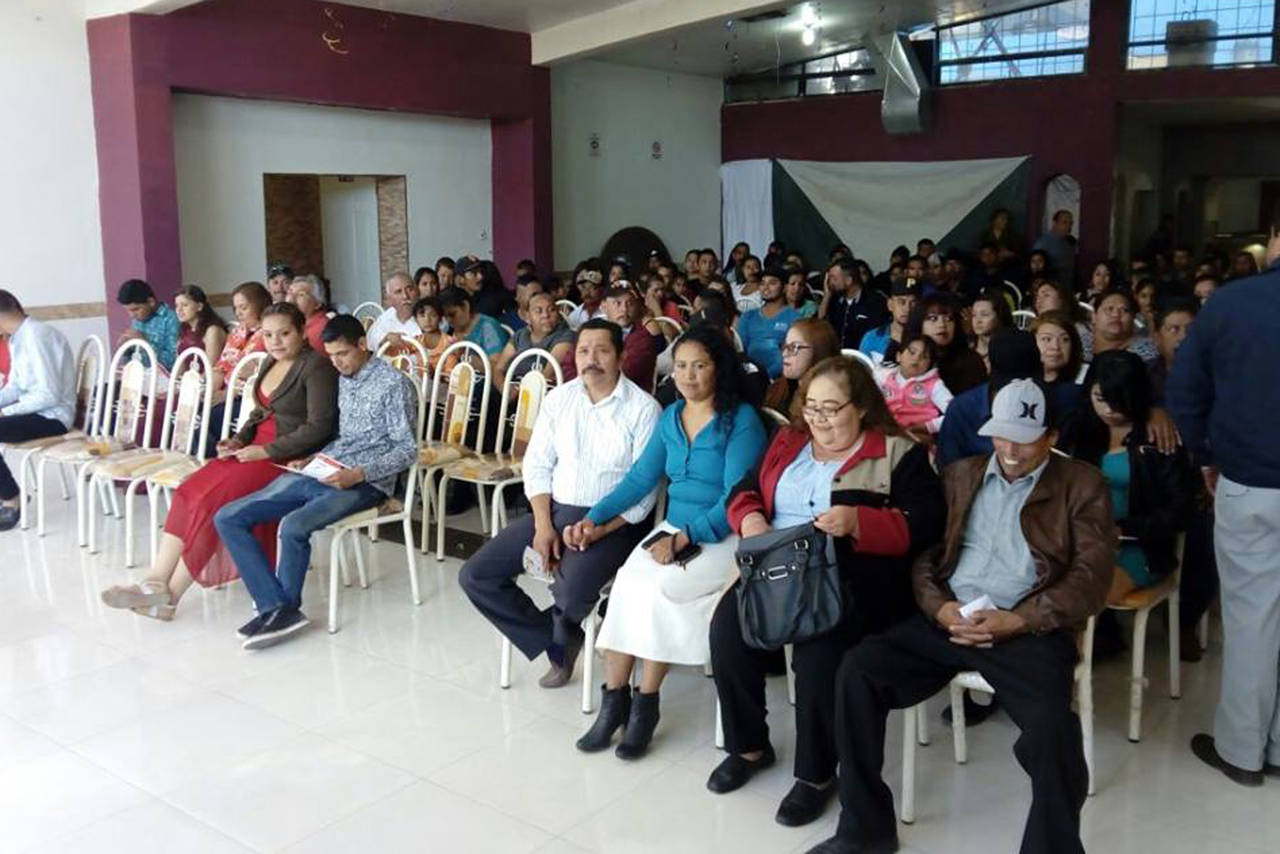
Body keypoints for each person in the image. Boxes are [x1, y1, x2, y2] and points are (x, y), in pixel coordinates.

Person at [805, 378, 1115, 854]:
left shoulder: (1082, 485)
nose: (1009, 449)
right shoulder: (960, 474)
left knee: (1053, 729)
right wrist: (939, 607)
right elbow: (926, 555)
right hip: (950, 616)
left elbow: (1091, 578)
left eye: (1025, 437)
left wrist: (1022, 619)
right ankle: (865, 827)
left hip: (1026, 626)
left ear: (1050, 436)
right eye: (1001, 435)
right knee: (858, 672)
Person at [709, 355, 945, 827]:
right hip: (779, 571)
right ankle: (749, 746)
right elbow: (743, 490)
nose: (818, 420)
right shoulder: (788, 440)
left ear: (860, 407)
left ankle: (816, 775)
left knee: (819, 655)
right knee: (727, 631)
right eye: (811, 407)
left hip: (852, 581)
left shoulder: (898, 453)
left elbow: (928, 524)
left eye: (830, 409)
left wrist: (861, 521)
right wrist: (750, 517)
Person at [569, 325, 766, 759]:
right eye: (680, 366)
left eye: (700, 366)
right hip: (671, 531)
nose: (688, 375)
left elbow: (737, 497)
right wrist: (593, 517)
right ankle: (614, 699)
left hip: (721, 536)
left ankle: (646, 702)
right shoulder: (671, 416)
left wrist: (684, 538)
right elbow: (641, 478)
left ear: (719, 368)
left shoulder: (741, 420)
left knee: (660, 591)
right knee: (625, 586)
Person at [100, 303, 338, 618]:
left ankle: (169, 598)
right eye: (268, 334)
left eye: (284, 333)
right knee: (190, 491)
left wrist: (266, 451)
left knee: (214, 505)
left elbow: (319, 427)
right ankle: (155, 581)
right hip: (251, 450)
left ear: (301, 333)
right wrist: (238, 439)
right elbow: (260, 412)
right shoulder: (269, 361)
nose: (276, 341)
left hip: (285, 458)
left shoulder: (316, 367)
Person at [460, 319, 660, 686]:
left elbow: (644, 494)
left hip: (614, 523)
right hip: (553, 511)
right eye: (584, 350)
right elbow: (536, 465)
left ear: (620, 356)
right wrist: (542, 526)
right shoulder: (559, 399)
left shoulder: (644, 409)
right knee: (476, 575)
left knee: (569, 591)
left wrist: (597, 528)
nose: (591, 359)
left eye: (602, 350)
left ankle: (567, 623)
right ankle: (556, 640)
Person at [213, 314, 417, 649]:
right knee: (229, 516)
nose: (337, 363)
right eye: (332, 355)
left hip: (365, 482)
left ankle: (282, 611)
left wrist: (359, 474)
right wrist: (314, 458)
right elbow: (343, 436)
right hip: (327, 466)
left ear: (363, 345)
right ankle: (277, 608)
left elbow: (407, 450)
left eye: (343, 354)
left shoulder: (393, 385)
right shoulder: (345, 378)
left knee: (293, 526)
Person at [1167, 219, 1280, 786]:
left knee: (1252, 619)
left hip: (1249, 480)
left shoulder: (1232, 304)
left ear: (1276, 240)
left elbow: (1185, 392)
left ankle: (1242, 750)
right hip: (1248, 474)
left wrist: (1205, 454)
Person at [1074, 351, 1194, 602]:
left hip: (1140, 547)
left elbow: (1181, 508)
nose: (1108, 409)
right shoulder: (1081, 428)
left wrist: (1124, 529)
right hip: (1084, 541)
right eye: (1100, 398)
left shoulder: (1159, 437)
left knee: (1085, 595)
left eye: (1119, 401)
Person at [0, 291, 76, 531]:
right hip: (37, 412)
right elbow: (17, 386)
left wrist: (6, 413)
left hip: (53, 417)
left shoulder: (37, 335)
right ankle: (9, 495)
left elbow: (48, 395)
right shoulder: (18, 337)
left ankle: (12, 498)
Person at [562, 286, 663, 392]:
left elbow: (625, 373)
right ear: (604, 307)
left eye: (630, 304)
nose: (624, 309)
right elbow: (568, 364)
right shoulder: (593, 330)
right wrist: (581, 387)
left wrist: (588, 381)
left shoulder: (643, 338)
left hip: (627, 399)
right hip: (584, 393)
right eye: (617, 303)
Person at [905, 293, 987, 394]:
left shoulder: (971, 361)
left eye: (949, 319)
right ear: (919, 323)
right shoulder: (906, 356)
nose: (942, 325)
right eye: (933, 319)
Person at [876, 334, 953, 441]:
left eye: (924, 356)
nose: (916, 358)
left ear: (930, 364)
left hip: (918, 436)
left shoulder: (934, 384)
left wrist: (928, 427)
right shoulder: (882, 377)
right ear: (899, 356)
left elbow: (954, 414)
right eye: (912, 352)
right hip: (885, 433)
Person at [764, 318, 839, 414]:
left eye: (794, 347)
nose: (784, 354)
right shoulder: (780, 388)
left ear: (819, 351)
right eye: (785, 346)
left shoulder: (828, 402)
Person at [737, 267, 801, 379]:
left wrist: (768, 376)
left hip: (781, 380)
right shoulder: (748, 317)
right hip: (750, 378)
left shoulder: (794, 318)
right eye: (762, 283)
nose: (765, 287)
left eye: (772, 283)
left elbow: (793, 354)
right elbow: (740, 351)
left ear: (784, 288)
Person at [819, 258, 889, 351]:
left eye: (834, 278)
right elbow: (820, 322)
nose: (830, 282)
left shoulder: (875, 302)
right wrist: (827, 296)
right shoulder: (833, 300)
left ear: (849, 280)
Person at [117, 278, 180, 371]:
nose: (132, 315)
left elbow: (172, 361)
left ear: (151, 302)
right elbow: (133, 357)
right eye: (128, 310)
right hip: (139, 376)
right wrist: (125, 348)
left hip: (162, 380)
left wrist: (145, 343)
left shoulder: (170, 319)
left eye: (136, 309)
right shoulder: (138, 319)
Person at [1146, 297, 1197, 405]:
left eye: (1191, 329)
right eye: (1174, 329)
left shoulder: (1219, 374)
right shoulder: (1144, 375)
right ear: (1157, 339)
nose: (1184, 337)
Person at [1086, 288, 1157, 362]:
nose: (1116, 314)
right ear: (1094, 316)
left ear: (1133, 318)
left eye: (1124, 310)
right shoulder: (1079, 344)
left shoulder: (1145, 353)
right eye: (1109, 309)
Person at [858, 279, 918, 366]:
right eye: (901, 302)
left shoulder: (925, 339)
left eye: (913, 303)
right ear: (890, 305)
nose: (907, 308)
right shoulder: (872, 338)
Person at [439, 286, 509, 360]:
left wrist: (465, 354)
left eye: (452, 314)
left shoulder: (488, 327)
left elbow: (496, 367)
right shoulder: (452, 329)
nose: (448, 320)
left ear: (466, 306)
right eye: (445, 316)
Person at [173, 284, 228, 368]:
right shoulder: (184, 329)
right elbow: (180, 365)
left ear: (199, 306)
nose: (179, 310)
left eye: (184, 305)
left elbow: (211, 368)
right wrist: (175, 380)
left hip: (208, 379)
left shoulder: (212, 331)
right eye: (176, 305)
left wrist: (193, 381)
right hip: (190, 378)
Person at [365, 272, 421, 353]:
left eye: (410, 289)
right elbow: (370, 344)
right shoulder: (386, 317)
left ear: (417, 292)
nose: (405, 296)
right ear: (389, 299)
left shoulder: (429, 315)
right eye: (398, 292)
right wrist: (385, 340)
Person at [1031, 310, 1084, 385]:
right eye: (1047, 339)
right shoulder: (1019, 387)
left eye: (1064, 340)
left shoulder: (1082, 388)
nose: (1055, 346)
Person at [408, 296, 457, 374]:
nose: (427, 320)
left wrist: (433, 374)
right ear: (416, 320)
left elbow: (450, 375)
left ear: (440, 318)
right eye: (422, 316)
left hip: (440, 384)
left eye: (433, 315)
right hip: (419, 383)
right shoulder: (415, 342)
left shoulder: (449, 342)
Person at [970, 288, 1013, 372]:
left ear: (999, 317)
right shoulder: (967, 350)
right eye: (974, 315)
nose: (978, 321)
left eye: (984, 315)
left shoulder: (1010, 351)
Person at [1034, 209, 1077, 288]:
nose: (1068, 226)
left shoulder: (1069, 242)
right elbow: (1036, 269)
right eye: (1064, 222)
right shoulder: (1044, 243)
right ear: (1054, 223)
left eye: (1070, 223)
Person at [287, 275, 331, 351]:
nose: (291, 299)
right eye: (290, 293)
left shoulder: (320, 329)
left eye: (301, 295)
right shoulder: (296, 322)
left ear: (317, 304)